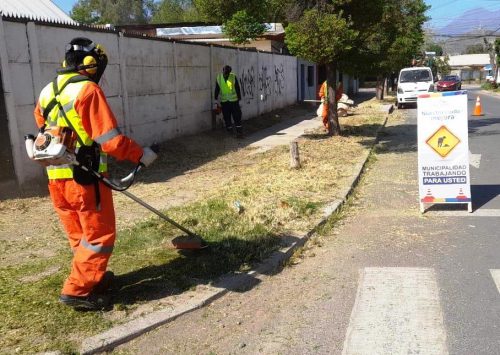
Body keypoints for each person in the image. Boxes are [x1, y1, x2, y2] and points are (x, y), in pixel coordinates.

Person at [32, 37, 157, 311]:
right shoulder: (87, 91)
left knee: (80, 236)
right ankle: (76, 291)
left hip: (56, 179)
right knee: (99, 236)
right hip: (85, 178)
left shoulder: (46, 92)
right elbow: (110, 141)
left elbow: (45, 131)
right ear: (90, 64)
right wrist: (141, 155)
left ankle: (92, 279)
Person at [214, 65, 243, 138]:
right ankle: (230, 132)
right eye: (225, 72)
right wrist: (215, 99)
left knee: (237, 117)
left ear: (230, 72)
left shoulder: (232, 77)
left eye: (228, 72)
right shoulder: (219, 78)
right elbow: (217, 89)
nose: (226, 73)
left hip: (234, 101)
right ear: (223, 70)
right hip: (224, 102)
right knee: (227, 117)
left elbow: (237, 88)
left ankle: (239, 132)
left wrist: (239, 98)